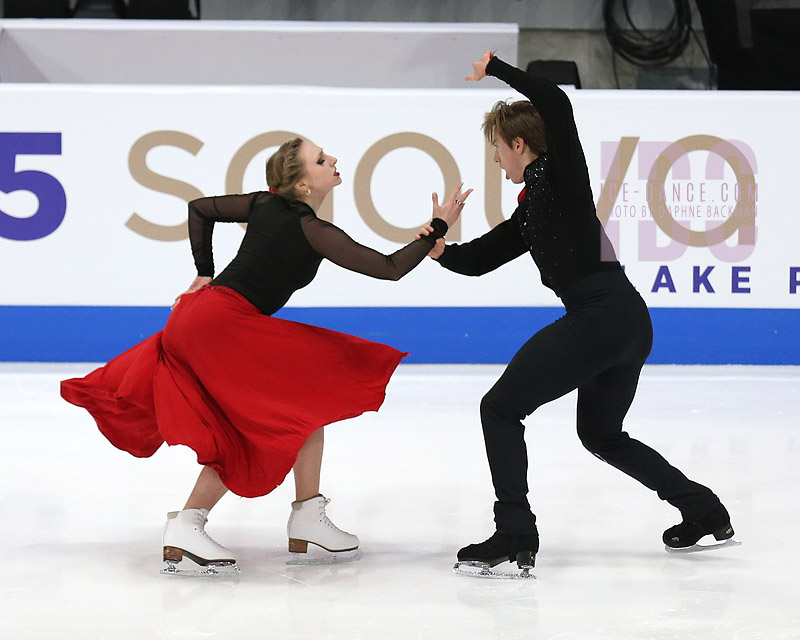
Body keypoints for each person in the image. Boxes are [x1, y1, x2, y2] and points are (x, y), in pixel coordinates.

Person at [61, 136, 472, 573]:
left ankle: (306, 513)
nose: (333, 160)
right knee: (260, 425)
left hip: (203, 317)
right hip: (221, 324)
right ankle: (191, 520)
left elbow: (200, 208)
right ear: (300, 183)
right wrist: (437, 228)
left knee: (306, 400)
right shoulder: (309, 228)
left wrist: (204, 273)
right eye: (321, 159)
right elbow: (387, 269)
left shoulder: (264, 204)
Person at [427, 51, 734, 573]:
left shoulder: (560, 173)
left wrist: (495, 68)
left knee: (499, 409)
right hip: (626, 320)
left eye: (497, 148)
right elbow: (477, 261)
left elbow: (555, 100)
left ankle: (515, 530)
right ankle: (703, 508)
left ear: (518, 144)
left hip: (602, 315)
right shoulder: (531, 209)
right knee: (601, 434)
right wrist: (437, 239)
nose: (496, 158)